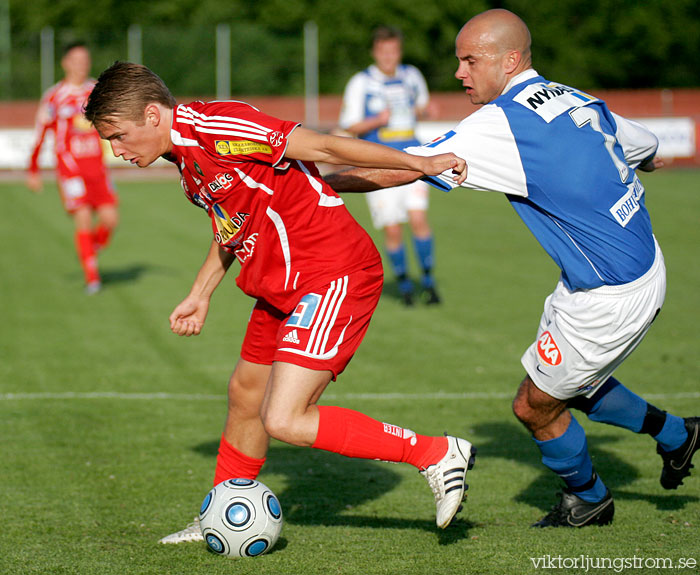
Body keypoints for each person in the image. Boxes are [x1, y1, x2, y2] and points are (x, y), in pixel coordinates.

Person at [325, 9, 699, 528]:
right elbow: (641, 143)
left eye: (469, 60)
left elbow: (399, 167)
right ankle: (678, 435)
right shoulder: (574, 97)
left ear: (509, 59)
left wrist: (314, 179)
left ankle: (588, 498)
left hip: (610, 294)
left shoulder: (501, 124)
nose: (459, 73)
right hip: (621, 268)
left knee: (534, 406)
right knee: (572, 384)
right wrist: (650, 160)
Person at [83, 62, 475, 541]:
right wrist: (200, 294)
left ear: (151, 115)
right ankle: (221, 512)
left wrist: (419, 163)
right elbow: (231, 227)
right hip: (279, 286)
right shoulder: (185, 162)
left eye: (118, 136)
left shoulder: (217, 127)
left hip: (331, 272)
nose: (116, 150)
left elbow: (324, 146)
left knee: (285, 418)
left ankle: (434, 453)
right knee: (245, 396)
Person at [339, 26, 440, 306]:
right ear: (375, 52)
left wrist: (427, 110)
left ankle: (429, 284)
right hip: (378, 166)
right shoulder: (361, 82)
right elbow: (350, 126)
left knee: (419, 221)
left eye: (393, 51)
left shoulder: (412, 76)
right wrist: (377, 121)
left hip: (413, 161)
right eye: (383, 51)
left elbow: (422, 106)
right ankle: (406, 286)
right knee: (393, 229)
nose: (389, 57)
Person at [27, 42, 118, 295]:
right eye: (76, 59)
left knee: (111, 219)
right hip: (71, 171)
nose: (81, 64)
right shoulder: (54, 96)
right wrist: (33, 170)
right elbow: (40, 133)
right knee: (84, 220)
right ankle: (92, 278)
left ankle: (91, 247)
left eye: (85, 59)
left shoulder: (96, 91)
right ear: (65, 62)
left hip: (98, 169)